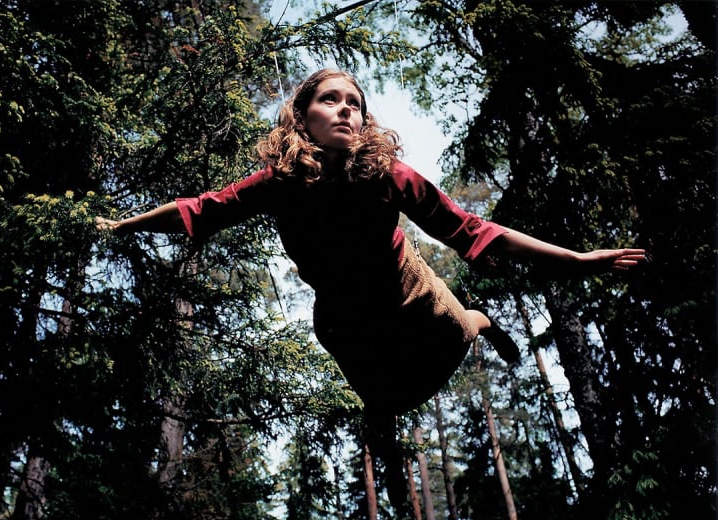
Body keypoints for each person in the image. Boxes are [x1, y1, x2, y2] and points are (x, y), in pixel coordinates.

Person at [96, 68, 645, 421]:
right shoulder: (278, 185)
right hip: (343, 318)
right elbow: (201, 210)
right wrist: (123, 226)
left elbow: (474, 231)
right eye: (329, 100)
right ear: (302, 117)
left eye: (354, 103)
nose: (344, 110)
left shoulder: (391, 177)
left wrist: (576, 258)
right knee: (386, 403)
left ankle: (478, 319)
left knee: (458, 334)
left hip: (414, 297)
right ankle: (381, 414)